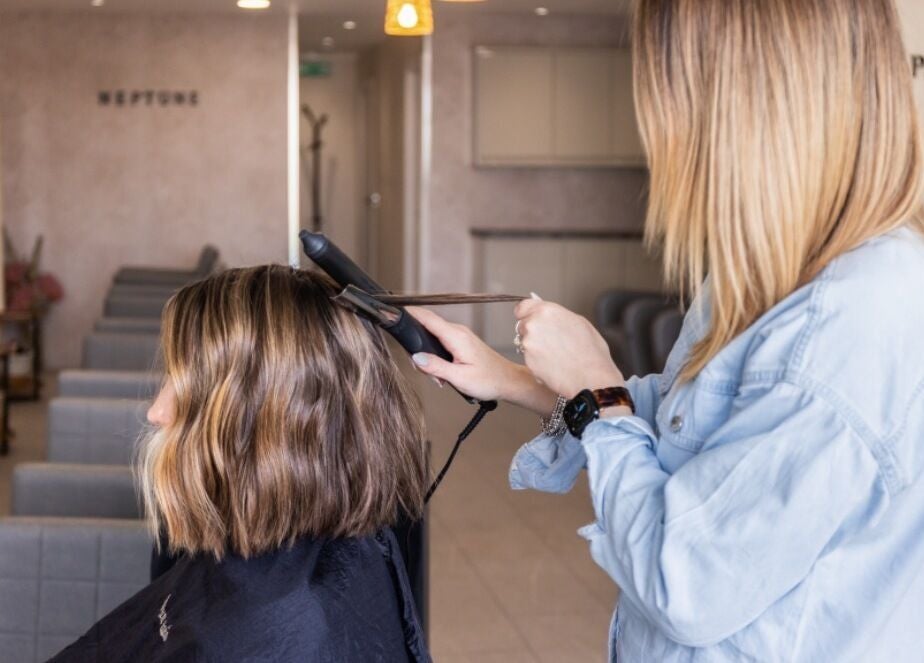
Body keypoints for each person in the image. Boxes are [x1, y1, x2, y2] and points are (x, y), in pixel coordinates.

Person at [409, 0, 924, 660]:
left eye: (675, 107)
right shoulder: (778, 268)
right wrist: (517, 380)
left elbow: (686, 582)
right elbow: (691, 420)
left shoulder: (850, 330)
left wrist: (598, 387)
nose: (663, 143)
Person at [53, 265, 431, 663]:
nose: (156, 411)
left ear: (262, 422)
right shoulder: (296, 571)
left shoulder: (290, 634)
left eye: (186, 386)